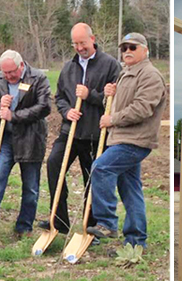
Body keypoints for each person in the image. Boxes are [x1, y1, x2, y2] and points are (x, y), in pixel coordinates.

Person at [86, 32, 167, 250]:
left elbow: (142, 108)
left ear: (145, 50)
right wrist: (108, 95)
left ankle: (107, 222)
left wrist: (112, 119)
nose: (127, 52)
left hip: (135, 140)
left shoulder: (150, 75)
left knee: (100, 168)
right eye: (124, 48)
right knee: (131, 191)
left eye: (133, 47)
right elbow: (119, 104)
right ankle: (136, 242)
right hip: (121, 138)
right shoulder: (126, 74)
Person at [41, 23, 121, 234]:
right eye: (75, 43)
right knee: (53, 165)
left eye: (82, 43)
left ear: (92, 39)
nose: (79, 47)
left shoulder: (110, 65)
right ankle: (59, 221)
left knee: (91, 179)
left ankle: (91, 226)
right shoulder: (69, 67)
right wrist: (67, 111)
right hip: (70, 132)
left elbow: (116, 101)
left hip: (95, 133)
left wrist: (90, 96)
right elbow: (59, 97)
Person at [0, 50, 50, 236]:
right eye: (5, 73)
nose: (9, 76)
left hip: (31, 139)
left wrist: (14, 116)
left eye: (12, 72)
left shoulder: (38, 78)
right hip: (5, 139)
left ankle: (24, 226)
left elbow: (44, 107)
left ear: (21, 66)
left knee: (31, 187)